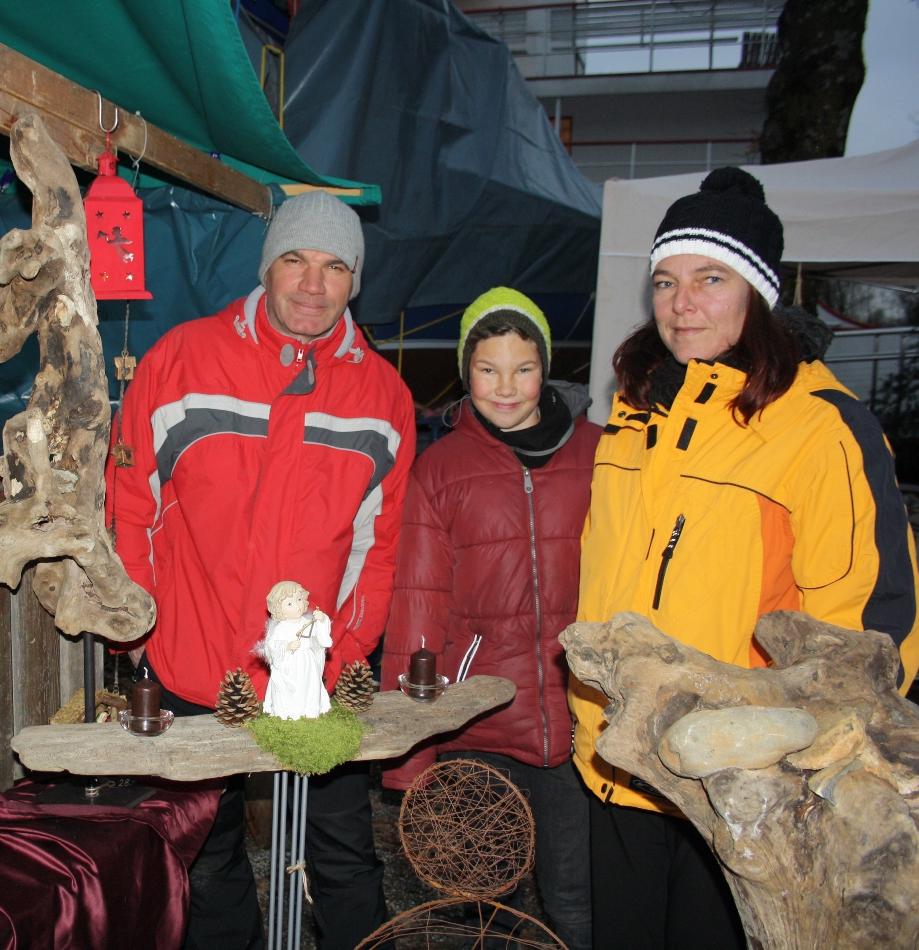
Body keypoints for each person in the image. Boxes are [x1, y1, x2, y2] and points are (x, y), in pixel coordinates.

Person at [572, 167, 919, 949]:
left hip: (742, 784)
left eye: (710, 278)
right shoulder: (634, 411)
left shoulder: (818, 427)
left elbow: (873, 627)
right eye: (664, 281)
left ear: (757, 292)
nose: (681, 302)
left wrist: (813, 762)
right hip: (617, 761)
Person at [108, 190, 416, 950]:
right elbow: (130, 504)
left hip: (315, 673)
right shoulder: (181, 359)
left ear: (354, 280)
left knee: (342, 852)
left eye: (334, 267)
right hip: (192, 657)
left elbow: (379, 545)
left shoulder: (382, 394)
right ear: (266, 265)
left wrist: (347, 653)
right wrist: (138, 631)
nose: (312, 284)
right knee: (205, 855)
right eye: (294, 260)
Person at [382, 287, 598, 950]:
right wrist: (411, 742)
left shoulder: (603, 455)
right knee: (477, 900)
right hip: (478, 715)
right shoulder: (439, 470)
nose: (505, 387)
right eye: (487, 369)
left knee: (576, 899)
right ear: (464, 371)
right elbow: (418, 604)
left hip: (583, 720)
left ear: (546, 369)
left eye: (523, 368)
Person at [262, 581, 333, 721]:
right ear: (279, 609)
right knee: (290, 689)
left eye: (299, 600)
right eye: (289, 604)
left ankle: (310, 712)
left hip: (307, 662)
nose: (297, 606)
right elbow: (272, 644)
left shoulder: (306, 623)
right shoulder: (281, 628)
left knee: (309, 686)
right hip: (290, 664)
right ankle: (287, 713)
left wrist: (322, 620)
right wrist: (286, 646)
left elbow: (321, 637)